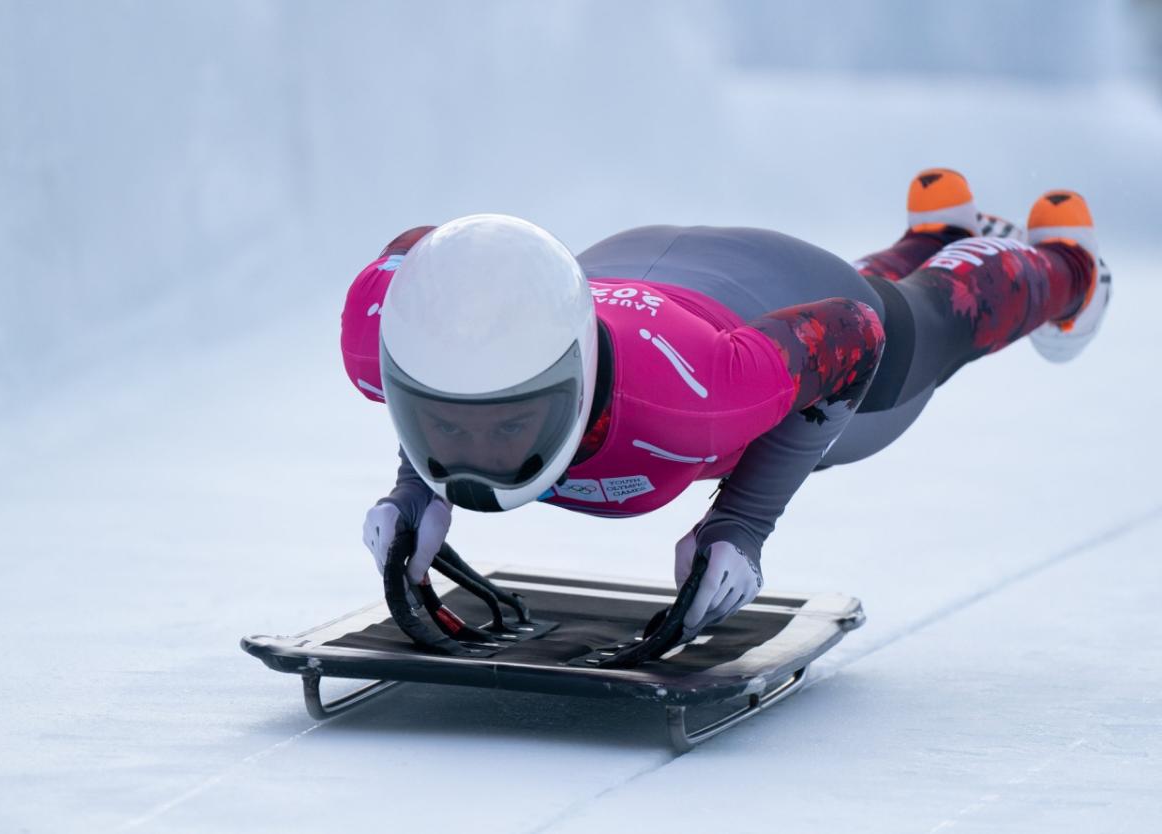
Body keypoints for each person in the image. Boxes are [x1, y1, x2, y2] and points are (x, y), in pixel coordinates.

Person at [340, 169, 1110, 641]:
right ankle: (938, 231)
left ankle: (1072, 267)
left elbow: (856, 335)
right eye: (442, 421)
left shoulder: (695, 400)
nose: (479, 455)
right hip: (695, 287)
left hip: (792, 336)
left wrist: (742, 524)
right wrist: (413, 488)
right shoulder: (377, 337)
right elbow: (434, 276)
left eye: (510, 426)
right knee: (825, 327)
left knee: (933, 315)